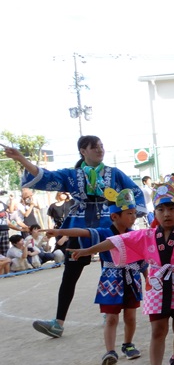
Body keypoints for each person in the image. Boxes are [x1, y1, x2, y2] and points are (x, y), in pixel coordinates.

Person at [3, 136, 145, 339]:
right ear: (82, 151)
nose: (100, 150)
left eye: (101, 146)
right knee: (70, 274)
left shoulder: (114, 173)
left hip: (109, 225)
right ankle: (58, 323)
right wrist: (21, 160)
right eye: (94, 147)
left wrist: (130, 213)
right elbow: (45, 176)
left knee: (115, 270)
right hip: (79, 225)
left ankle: (112, 313)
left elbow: (135, 192)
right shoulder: (71, 175)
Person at [70, 182, 174, 365]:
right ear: (154, 212)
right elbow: (116, 241)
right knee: (158, 329)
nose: (166, 214)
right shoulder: (146, 235)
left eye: (172, 209)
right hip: (156, 287)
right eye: (161, 209)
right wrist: (89, 251)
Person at [48, 188, 143, 365]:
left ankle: (128, 344)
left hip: (132, 278)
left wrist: (149, 277)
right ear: (114, 216)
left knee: (130, 316)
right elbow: (83, 232)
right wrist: (59, 231)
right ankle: (110, 352)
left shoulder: (134, 234)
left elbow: (142, 260)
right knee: (111, 318)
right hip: (111, 281)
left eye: (134, 214)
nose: (133, 217)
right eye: (129, 213)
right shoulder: (104, 232)